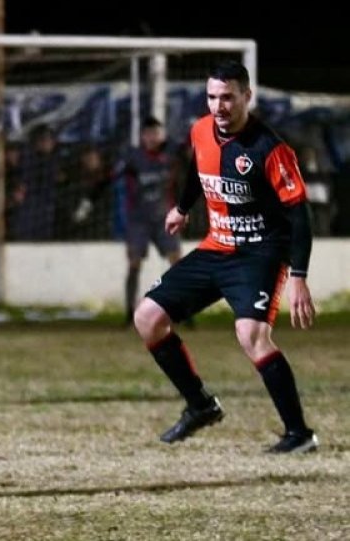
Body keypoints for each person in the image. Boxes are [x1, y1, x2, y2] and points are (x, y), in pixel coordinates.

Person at [133, 59, 318, 453]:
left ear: (247, 97)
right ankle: (200, 405)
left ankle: (299, 434)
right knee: (148, 318)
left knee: (250, 335)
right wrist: (182, 209)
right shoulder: (200, 130)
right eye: (212, 97)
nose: (219, 106)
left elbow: (299, 214)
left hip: (260, 254)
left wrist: (298, 275)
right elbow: (197, 173)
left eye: (228, 98)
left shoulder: (270, 148)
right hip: (216, 247)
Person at [74, 116, 186, 324]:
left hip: (165, 218)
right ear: (142, 136)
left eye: (156, 133)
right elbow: (106, 178)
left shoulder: (172, 154)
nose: (153, 138)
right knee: (134, 263)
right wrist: (88, 202)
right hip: (139, 220)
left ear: (162, 134)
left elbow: (193, 168)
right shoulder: (132, 158)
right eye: (148, 134)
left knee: (177, 262)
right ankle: (129, 314)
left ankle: (184, 312)